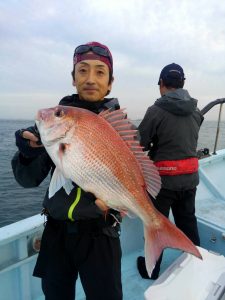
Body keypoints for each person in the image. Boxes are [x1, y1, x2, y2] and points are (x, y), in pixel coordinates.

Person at [11, 42, 123, 300]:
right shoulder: (56, 122)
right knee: (55, 295)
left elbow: (131, 178)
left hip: (101, 233)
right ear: (73, 79)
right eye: (82, 71)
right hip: (56, 232)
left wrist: (118, 204)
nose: (90, 79)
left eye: (99, 72)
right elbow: (27, 180)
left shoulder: (121, 130)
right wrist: (29, 154)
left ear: (110, 82)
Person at [137, 63, 204, 280]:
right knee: (187, 221)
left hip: (163, 183)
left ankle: (151, 270)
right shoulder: (195, 111)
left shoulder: (155, 111)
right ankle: (195, 262)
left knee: (156, 227)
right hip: (190, 180)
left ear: (161, 84)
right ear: (183, 84)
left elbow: (140, 144)